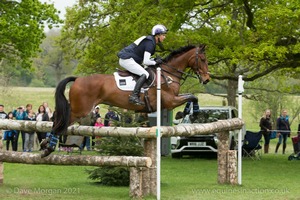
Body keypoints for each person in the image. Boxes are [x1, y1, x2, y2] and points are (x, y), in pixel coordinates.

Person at [117, 24, 168, 105]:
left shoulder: (150, 41)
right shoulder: (150, 43)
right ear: (157, 35)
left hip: (130, 58)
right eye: (163, 35)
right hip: (126, 59)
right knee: (145, 74)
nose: (164, 37)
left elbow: (145, 58)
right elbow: (146, 62)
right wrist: (155, 62)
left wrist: (154, 59)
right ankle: (134, 96)